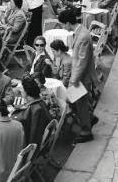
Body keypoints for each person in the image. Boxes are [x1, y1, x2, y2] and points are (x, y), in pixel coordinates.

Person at [59, 9, 98, 143]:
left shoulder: (82, 36)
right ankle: (90, 117)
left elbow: (81, 61)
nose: (64, 28)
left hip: (81, 78)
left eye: (64, 25)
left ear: (69, 23)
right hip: (80, 76)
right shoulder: (81, 33)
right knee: (75, 101)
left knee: (78, 103)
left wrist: (73, 80)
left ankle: (86, 130)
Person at [11, 76, 52, 145]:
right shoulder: (41, 102)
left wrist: (14, 114)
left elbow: (21, 124)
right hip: (41, 141)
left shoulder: (34, 109)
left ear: (26, 92)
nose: (21, 91)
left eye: (22, 90)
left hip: (30, 146)